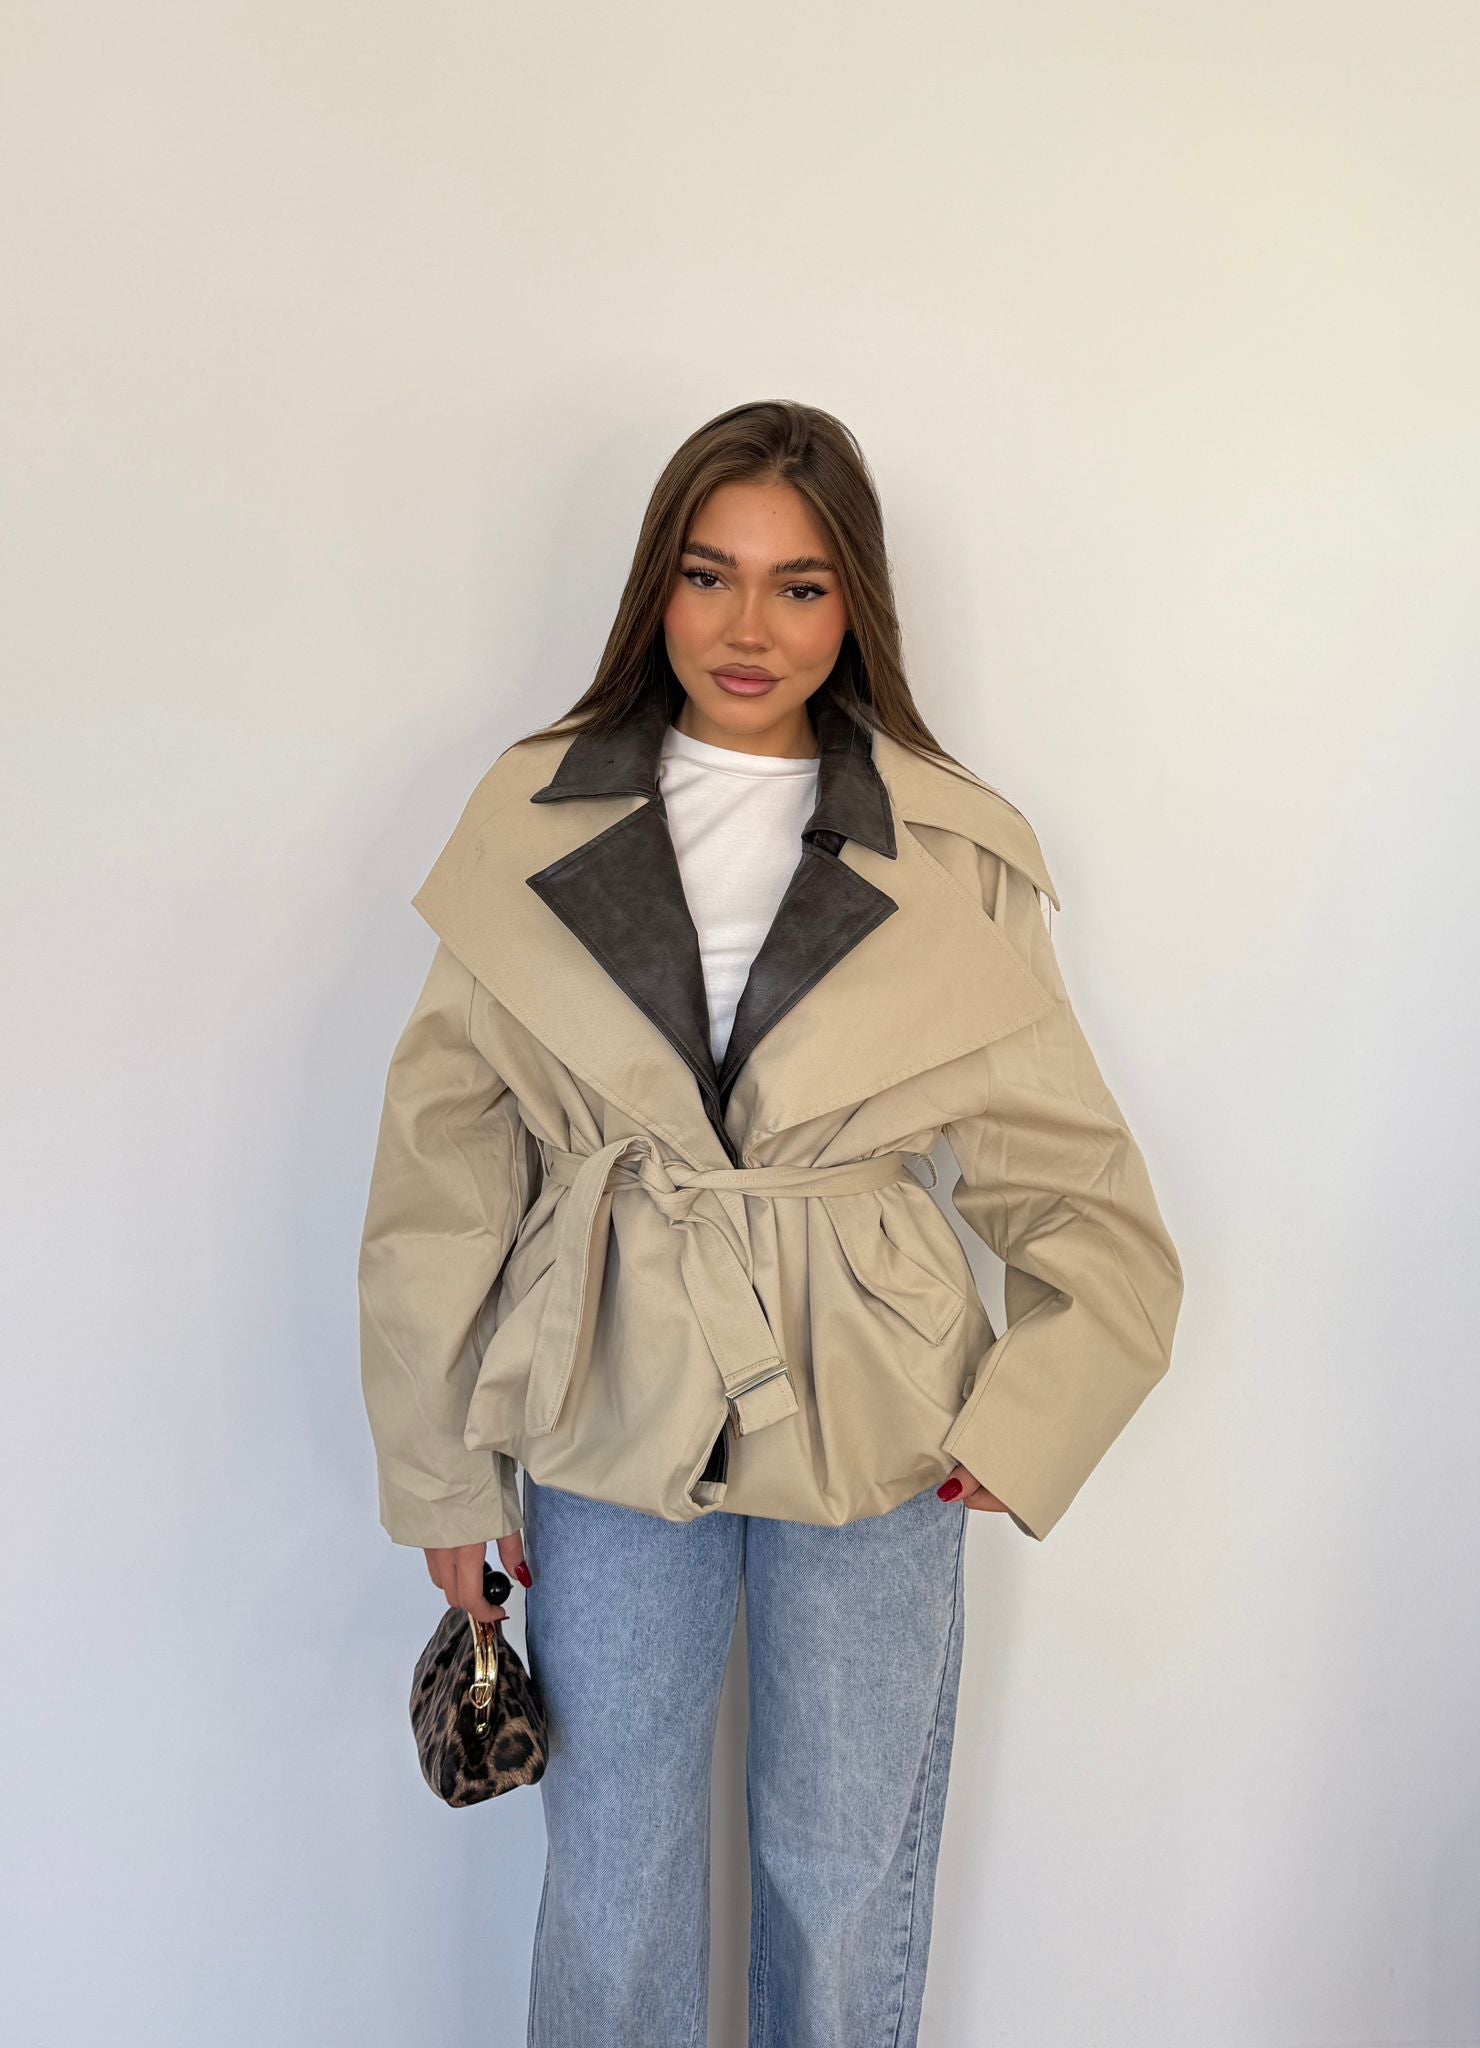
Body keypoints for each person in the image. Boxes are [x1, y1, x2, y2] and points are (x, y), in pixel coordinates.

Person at [357, 398, 1184, 2047]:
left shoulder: (952, 849)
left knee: (843, 1871)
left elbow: (1071, 1176)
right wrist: (441, 1470)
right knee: (614, 1872)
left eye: (800, 585)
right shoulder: (532, 816)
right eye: (709, 573)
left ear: (854, 603)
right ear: (655, 588)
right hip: (605, 1388)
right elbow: (444, 1162)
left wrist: (1022, 1423)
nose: (750, 627)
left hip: (881, 1410)